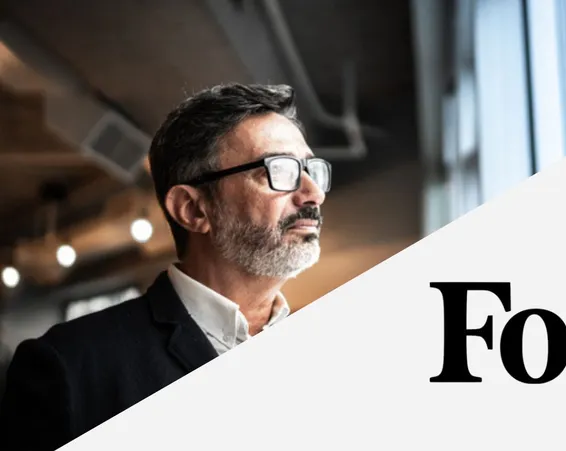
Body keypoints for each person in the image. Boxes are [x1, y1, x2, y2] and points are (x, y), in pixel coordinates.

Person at [0, 83, 329, 450]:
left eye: (310, 169)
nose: (313, 191)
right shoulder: (68, 367)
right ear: (193, 209)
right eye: (280, 169)